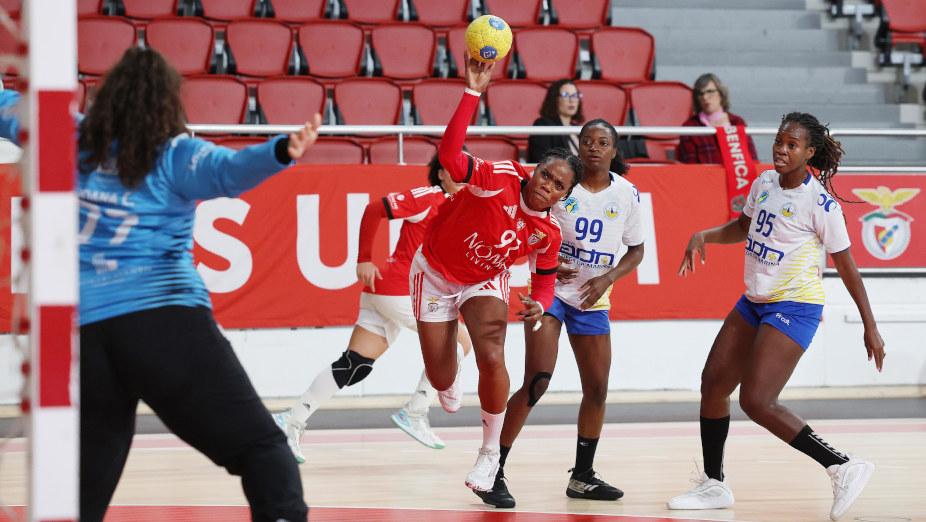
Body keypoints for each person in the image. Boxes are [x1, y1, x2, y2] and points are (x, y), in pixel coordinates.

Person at [0, 48, 318, 522]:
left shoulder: (62, 134)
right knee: (261, 449)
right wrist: (280, 151)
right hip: (163, 322)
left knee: (81, 492)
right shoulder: (176, 156)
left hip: (82, 334)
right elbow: (229, 172)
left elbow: (8, 109)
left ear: (107, 96)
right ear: (167, 102)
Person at [668, 112, 886, 521]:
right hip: (755, 301)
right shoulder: (765, 182)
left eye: (792, 145)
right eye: (779, 141)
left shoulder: (821, 204)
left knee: (756, 399)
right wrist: (705, 236)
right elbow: (743, 227)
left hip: (795, 306)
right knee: (713, 384)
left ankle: (842, 466)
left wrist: (870, 326)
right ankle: (714, 484)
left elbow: (847, 266)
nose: (781, 150)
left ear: (809, 152)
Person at [412, 54, 583, 497]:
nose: (548, 185)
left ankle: (490, 455)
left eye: (559, 185)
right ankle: (448, 379)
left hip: (483, 282)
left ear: (564, 195)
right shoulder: (497, 177)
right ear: (534, 172)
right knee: (439, 374)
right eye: (546, 175)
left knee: (493, 355)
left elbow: (544, 279)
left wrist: (540, 304)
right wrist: (473, 92)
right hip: (433, 271)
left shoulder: (548, 232)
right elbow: (449, 156)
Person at [477, 118, 646, 509]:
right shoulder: (562, 184)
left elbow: (636, 250)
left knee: (598, 389)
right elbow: (531, 230)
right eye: (586, 140)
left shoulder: (627, 194)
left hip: (592, 298)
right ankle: (493, 469)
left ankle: (583, 477)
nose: (593, 147)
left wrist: (608, 277)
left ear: (614, 151)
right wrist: (548, 266)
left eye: (602, 142)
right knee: (537, 381)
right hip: (550, 294)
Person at [271, 154, 473, 461]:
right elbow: (373, 208)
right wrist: (364, 257)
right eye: (456, 171)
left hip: (393, 291)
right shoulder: (429, 197)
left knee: (355, 364)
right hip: (400, 288)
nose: (464, 176)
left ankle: (292, 419)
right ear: (442, 173)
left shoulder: (464, 208)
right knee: (459, 341)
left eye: (467, 170)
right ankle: (415, 411)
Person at [676, 73, 758, 164]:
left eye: (709, 92)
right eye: (700, 93)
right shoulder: (690, 127)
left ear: (721, 93)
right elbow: (690, 167)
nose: (705, 97)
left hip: (738, 177)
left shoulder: (737, 122)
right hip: (704, 177)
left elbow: (752, 160)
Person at [527, 79, 584, 163]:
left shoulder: (578, 129)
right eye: (566, 95)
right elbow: (541, 160)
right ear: (554, 99)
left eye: (575, 95)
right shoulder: (543, 124)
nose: (572, 100)